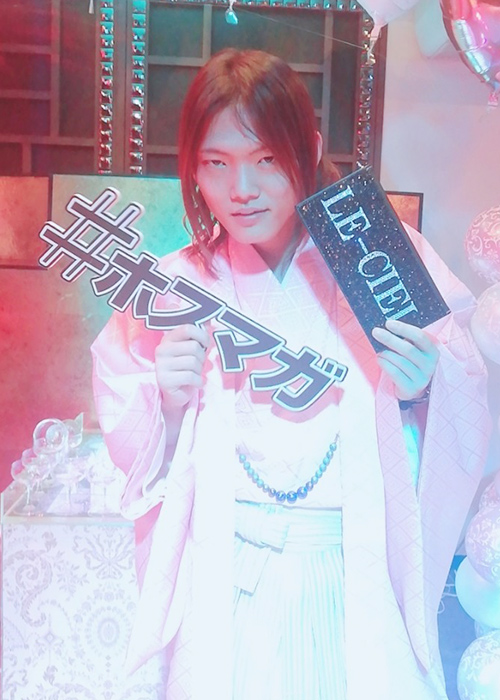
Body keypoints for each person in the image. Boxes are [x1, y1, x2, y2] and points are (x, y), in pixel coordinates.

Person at [91, 49, 490, 700]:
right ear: (191, 168)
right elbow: (132, 444)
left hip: (352, 572)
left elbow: (465, 389)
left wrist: (425, 388)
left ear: (310, 149)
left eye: (266, 159)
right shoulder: (174, 287)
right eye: (216, 164)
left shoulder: (381, 261)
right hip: (225, 576)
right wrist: (167, 404)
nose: (241, 189)